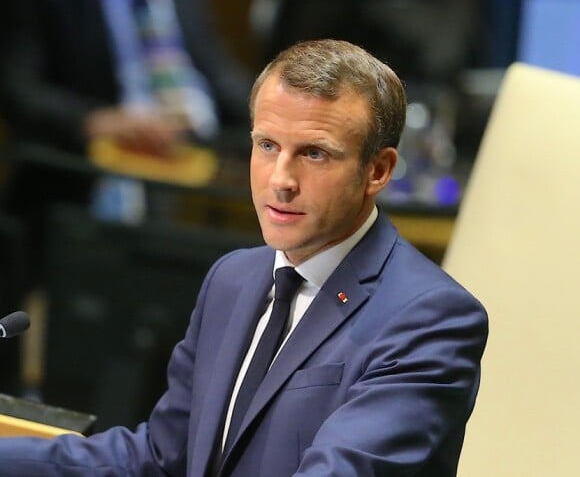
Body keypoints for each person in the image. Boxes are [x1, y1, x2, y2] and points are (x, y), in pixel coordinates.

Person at [0, 39, 488, 476]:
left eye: (314, 154)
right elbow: (161, 457)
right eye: (267, 145)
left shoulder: (429, 318)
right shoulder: (233, 278)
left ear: (377, 170)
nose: (280, 179)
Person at [0, 0, 251, 299]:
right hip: (86, 174)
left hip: (195, 164)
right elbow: (17, 91)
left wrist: (279, 113)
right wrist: (98, 121)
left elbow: (214, 68)